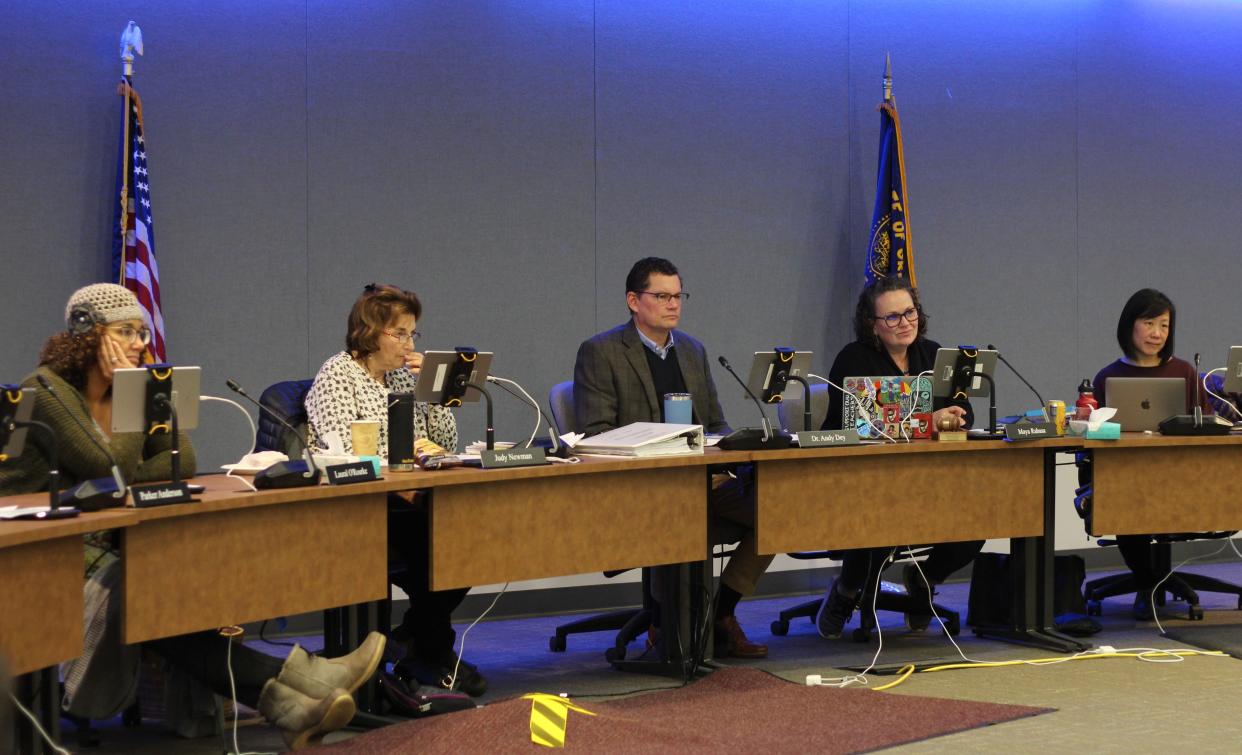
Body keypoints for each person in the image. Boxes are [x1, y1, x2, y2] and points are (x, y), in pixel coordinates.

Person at [0, 284, 384, 750]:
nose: (141, 343)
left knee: (172, 578)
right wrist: (132, 400)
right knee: (147, 588)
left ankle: (298, 702)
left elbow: (180, 460)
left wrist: (131, 458)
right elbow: (106, 467)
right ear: (86, 334)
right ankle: (307, 682)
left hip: (105, 540)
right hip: (38, 555)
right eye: (126, 331)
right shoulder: (47, 390)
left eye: (142, 331)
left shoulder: (136, 386)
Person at [572, 257, 771, 658]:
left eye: (678, 296)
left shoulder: (693, 351)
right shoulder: (602, 351)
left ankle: (720, 613)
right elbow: (594, 435)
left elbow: (715, 422)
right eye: (662, 296)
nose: (673, 304)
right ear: (633, 300)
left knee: (778, 511)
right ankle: (665, 625)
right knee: (677, 515)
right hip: (644, 486)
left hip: (706, 480)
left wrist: (734, 445)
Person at [304, 283, 486, 695]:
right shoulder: (338, 374)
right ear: (370, 332)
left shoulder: (405, 378)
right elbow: (340, 449)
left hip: (414, 498)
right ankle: (431, 653)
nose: (408, 344)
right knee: (436, 548)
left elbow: (445, 442)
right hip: (363, 506)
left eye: (412, 334)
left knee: (470, 540)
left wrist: (435, 394)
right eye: (399, 333)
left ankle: (411, 641)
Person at [815, 276, 983, 638]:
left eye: (910, 312)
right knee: (876, 518)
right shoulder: (854, 359)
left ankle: (925, 579)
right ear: (871, 324)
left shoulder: (936, 355)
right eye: (892, 317)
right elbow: (856, 423)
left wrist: (955, 415)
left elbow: (964, 414)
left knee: (979, 516)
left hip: (930, 478)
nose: (905, 322)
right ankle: (846, 590)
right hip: (865, 480)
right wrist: (927, 419)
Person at [1092, 288, 1212, 620]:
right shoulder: (1107, 377)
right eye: (1149, 323)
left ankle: (1151, 584)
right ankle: (1149, 583)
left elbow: (1205, 425)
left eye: (1164, 325)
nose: (1157, 333)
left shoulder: (1186, 372)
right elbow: (1097, 434)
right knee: (1127, 502)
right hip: (1130, 478)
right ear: (1130, 326)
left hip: (1181, 475)